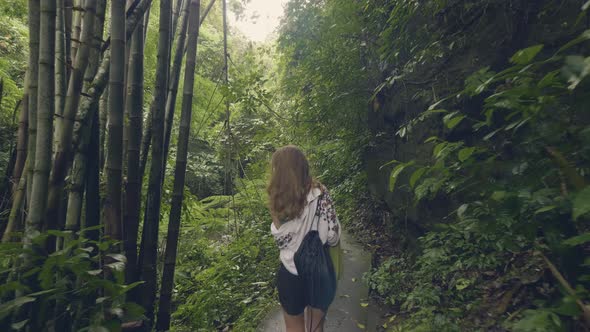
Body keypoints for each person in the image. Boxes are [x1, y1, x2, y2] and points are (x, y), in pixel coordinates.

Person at [267, 145, 341, 332]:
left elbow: (281, 242)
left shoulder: (277, 200)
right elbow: (333, 235)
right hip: (319, 271)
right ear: (304, 167)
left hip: (291, 274)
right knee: (316, 327)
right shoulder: (321, 193)